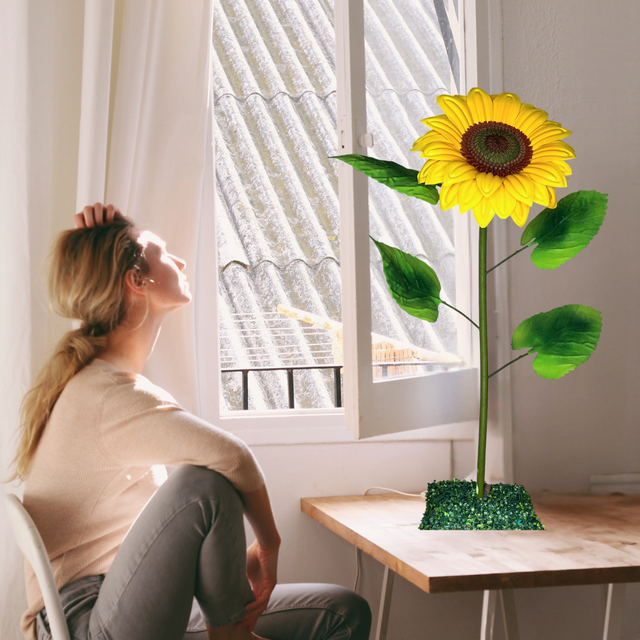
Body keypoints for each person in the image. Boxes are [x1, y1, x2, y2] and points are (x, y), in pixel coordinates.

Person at [10, 204, 371, 640]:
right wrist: (270, 544)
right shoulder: (106, 393)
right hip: (88, 622)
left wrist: (233, 571)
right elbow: (232, 457)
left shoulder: (109, 384)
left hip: (125, 603)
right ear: (135, 281)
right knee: (204, 482)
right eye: (164, 253)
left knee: (342, 612)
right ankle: (232, 635)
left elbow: (169, 539)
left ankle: (230, 627)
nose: (180, 261)